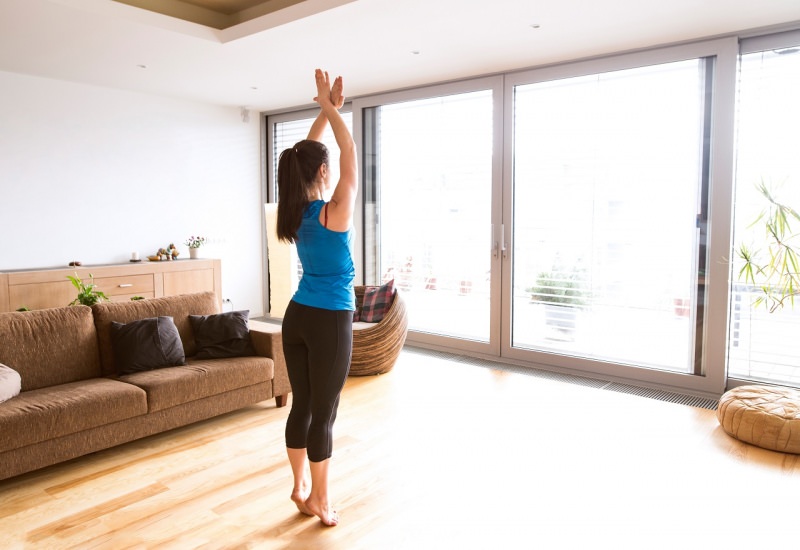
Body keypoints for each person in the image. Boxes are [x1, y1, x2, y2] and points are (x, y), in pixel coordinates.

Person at [276, 69, 357, 527]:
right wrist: (328, 108)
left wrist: (326, 111)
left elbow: (303, 157)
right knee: (324, 413)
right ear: (322, 173)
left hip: (297, 317)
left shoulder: (297, 209)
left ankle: (299, 487)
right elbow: (349, 152)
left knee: (303, 405)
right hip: (329, 320)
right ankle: (321, 502)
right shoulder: (335, 210)